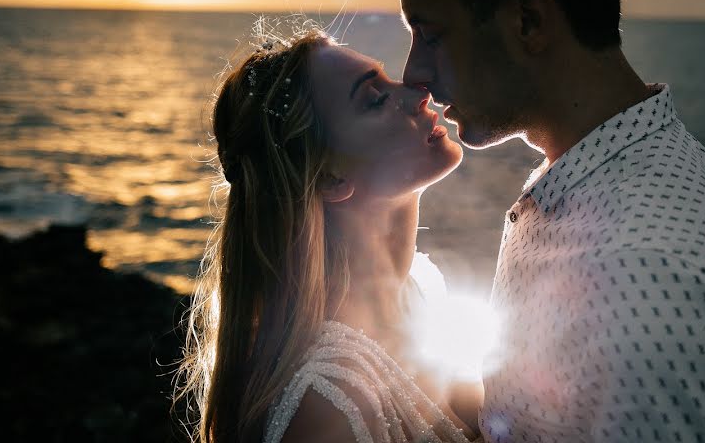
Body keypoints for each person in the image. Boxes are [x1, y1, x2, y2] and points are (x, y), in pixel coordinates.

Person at [388, 0, 705, 442]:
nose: (414, 73)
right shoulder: (598, 173)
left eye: (432, 35)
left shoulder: (641, 292)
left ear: (528, 20)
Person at [174, 27, 478, 443]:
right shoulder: (325, 405)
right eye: (374, 99)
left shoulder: (423, 293)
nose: (416, 92)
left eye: (386, 77)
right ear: (332, 178)